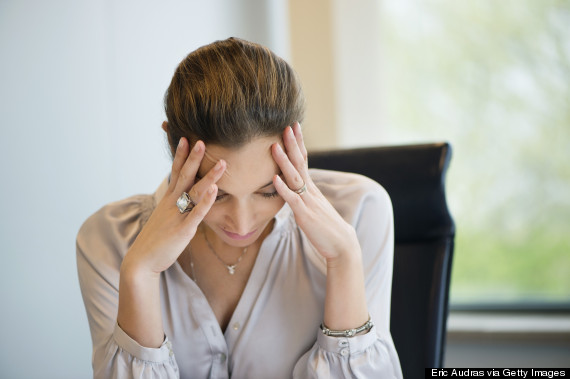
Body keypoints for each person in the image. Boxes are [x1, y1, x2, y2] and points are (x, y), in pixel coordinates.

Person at [77, 37, 402, 379]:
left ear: (297, 144)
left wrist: (345, 258)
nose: (243, 223)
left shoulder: (360, 211)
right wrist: (140, 274)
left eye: (266, 192)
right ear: (175, 147)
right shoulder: (109, 240)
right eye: (215, 195)